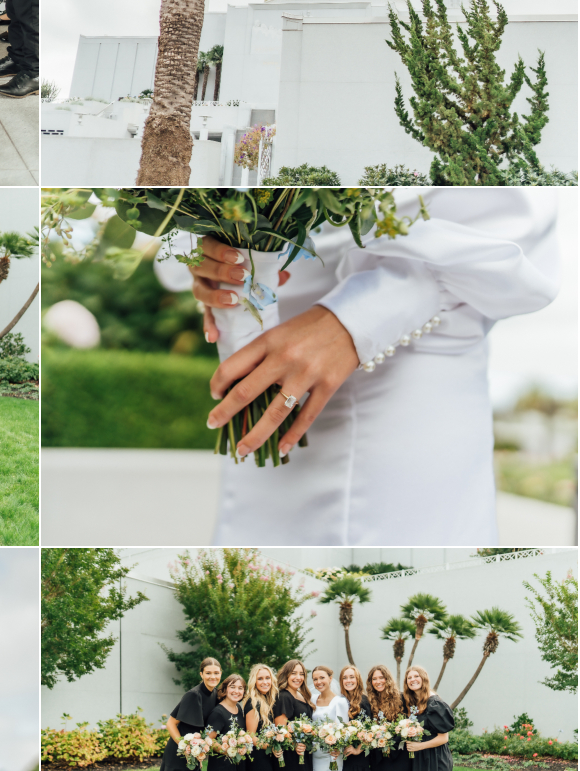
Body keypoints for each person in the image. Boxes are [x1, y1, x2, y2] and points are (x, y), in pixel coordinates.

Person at [190, 192, 559, 545]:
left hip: (407, 380)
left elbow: (511, 221)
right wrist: (222, 264)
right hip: (269, 363)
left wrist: (351, 321)